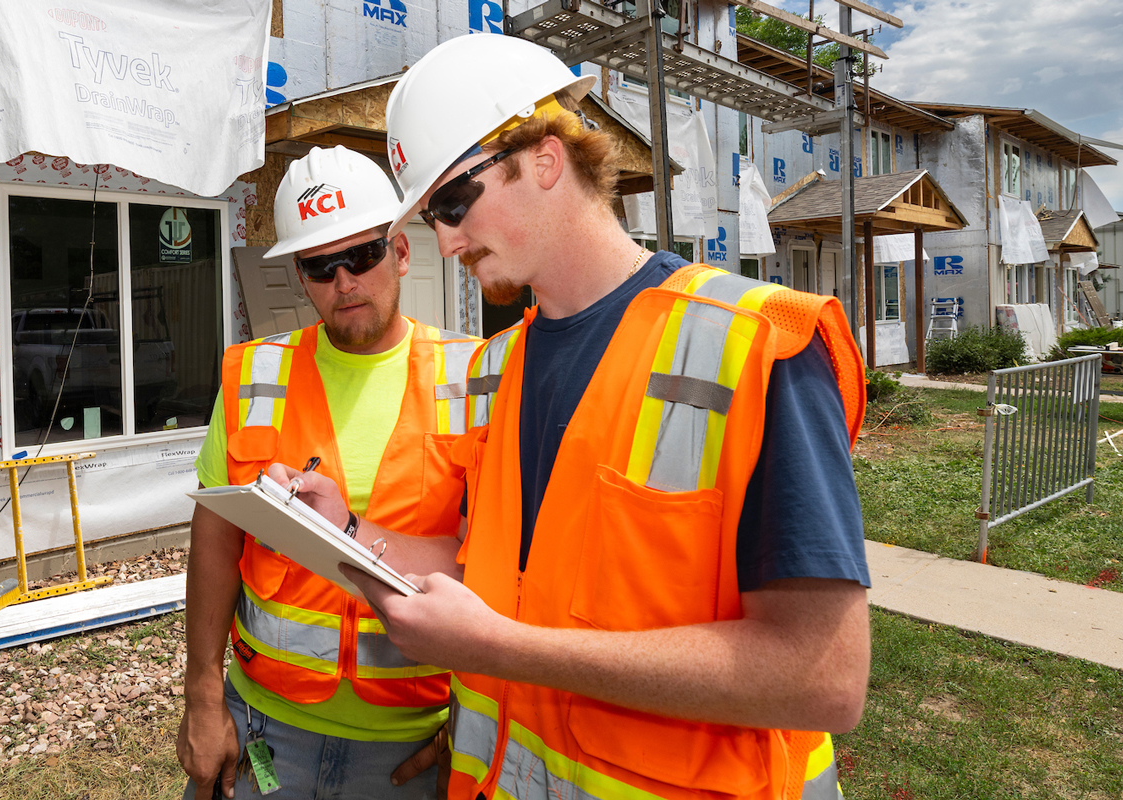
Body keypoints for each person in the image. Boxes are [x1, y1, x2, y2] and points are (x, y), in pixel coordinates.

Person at [277, 34, 873, 800]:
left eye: (454, 204)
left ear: (546, 160)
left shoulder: (754, 344)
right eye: (432, 217)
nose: (447, 240)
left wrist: (507, 650)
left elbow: (822, 677)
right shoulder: (498, 367)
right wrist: (351, 533)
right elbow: (496, 573)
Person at [178, 145, 481, 800]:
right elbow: (215, 541)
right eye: (320, 266)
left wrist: (477, 714)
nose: (344, 281)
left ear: (400, 252)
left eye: (363, 256)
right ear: (299, 275)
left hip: (411, 739)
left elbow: (502, 563)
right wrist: (203, 695)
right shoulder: (253, 376)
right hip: (265, 723)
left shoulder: (476, 379)